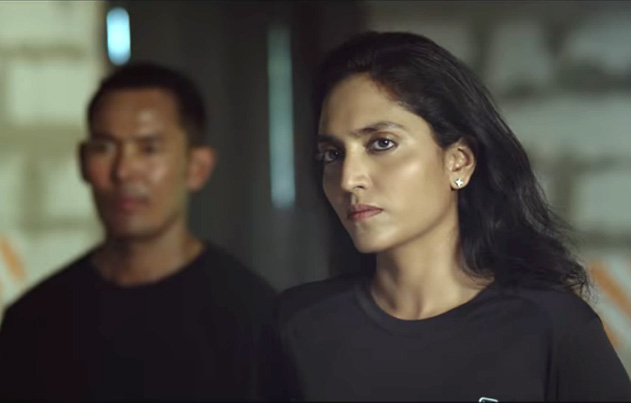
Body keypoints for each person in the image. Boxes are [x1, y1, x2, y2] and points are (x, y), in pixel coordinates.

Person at [271, 32, 631, 401]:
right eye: (332, 154)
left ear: (458, 162)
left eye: (382, 143)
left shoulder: (550, 326)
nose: (349, 179)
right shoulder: (299, 325)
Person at [0, 63, 276, 401]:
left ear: (197, 167)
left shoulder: (253, 319)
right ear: (83, 162)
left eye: (149, 149)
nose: (124, 170)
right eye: (104, 147)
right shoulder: (33, 321)